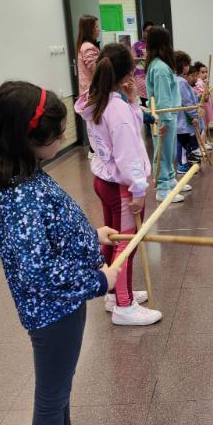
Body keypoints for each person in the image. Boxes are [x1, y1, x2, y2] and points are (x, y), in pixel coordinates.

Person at [0, 81, 119, 425]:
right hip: (51, 312)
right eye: (57, 133)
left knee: (62, 384)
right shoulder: (18, 197)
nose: (63, 137)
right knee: (51, 397)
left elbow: (53, 233)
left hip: (64, 304)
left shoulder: (28, 175)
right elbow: (37, 271)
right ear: (29, 138)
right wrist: (98, 281)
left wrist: (92, 235)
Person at [75, 43, 162, 326]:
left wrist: (133, 101)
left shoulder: (95, 100)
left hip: (105, 181)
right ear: (126, 74)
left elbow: (130, 131)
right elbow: (128, 152)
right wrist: (138, 189)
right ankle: (124, 305)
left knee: (115, 240)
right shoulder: (116, 109)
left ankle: (114, 293)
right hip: (122, 187)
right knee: (126, 245)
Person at [145, 26, 189, 203]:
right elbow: (162, 99)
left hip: (168, 116)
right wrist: (163, 120)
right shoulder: (160, 68)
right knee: (163, 153)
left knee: (169, 152)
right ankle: (163, 188)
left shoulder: (159, 66)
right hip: (164, 117)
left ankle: (170, 180)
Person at [76, 14, 100, 159]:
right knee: (95, 124)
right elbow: (96, 70)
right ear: (89, 29)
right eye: (96, 26)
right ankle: (94, 151)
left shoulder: (84, 46)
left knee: (93, 124)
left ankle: (94, 150)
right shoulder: (88, 47)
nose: (98, 29)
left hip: (89, 91)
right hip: (92, 91)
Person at [174, 51, 201, 174]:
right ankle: (182, 165)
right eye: (187, 64)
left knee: (183, 142)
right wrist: (194, 116)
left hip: (179, 118)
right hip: (183, 119)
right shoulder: (181, 82)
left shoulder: (175, 79)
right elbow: (187, 101)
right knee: (183, 143)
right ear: (182, 65)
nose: (188, 67)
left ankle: (184, 163)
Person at [191, 61, 213, 151]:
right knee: (203, 126)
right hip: (203, 107)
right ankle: (202, 144)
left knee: (205, 125)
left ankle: (204, 141)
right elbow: (205, 97)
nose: (205, 74)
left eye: (206, 72)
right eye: (202, 72)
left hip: (206, 107)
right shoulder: (199, 83)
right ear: (197, 74)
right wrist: (206, 86)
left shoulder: (202, 82)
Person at [132, 20, 153, 106]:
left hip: (152, 77)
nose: (149, 33)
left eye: (151, 31)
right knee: (143, 105)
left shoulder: (155, 46)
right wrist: (142, 58)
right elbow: (132, 60)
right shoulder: (136, 45)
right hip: (140, 79)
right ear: (143, 32)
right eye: (147, 31)